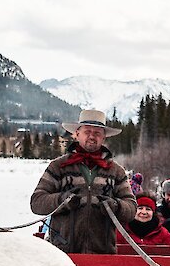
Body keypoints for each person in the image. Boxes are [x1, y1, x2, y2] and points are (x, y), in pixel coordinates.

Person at [30, 108, 137, 253]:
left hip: (103, 254)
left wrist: (116, 206)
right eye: (87, 132)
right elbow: (37, 202)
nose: (92, 136)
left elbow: (131, 208)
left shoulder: (116, 171)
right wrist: (62, 200)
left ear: (104, 137)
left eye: (97, 133)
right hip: (62, 254)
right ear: (77, 134)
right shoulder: (58, 167)